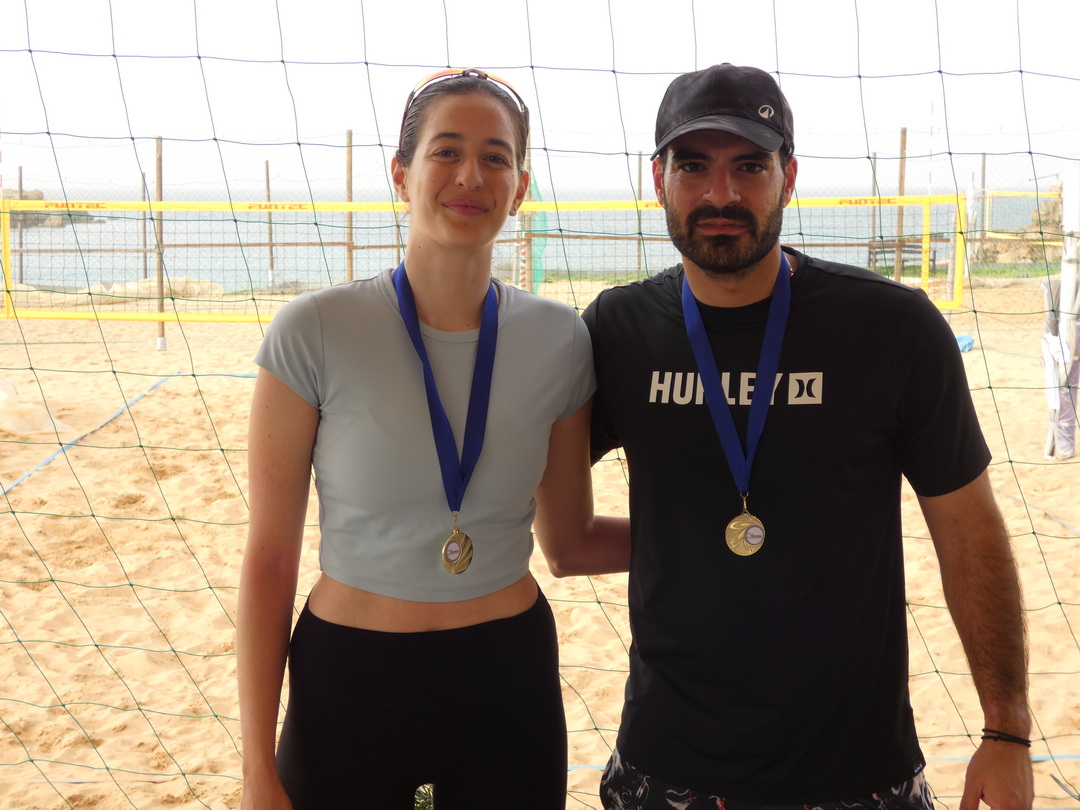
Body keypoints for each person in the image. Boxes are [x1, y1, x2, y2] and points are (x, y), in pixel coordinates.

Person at [562, 63, 1034, 810]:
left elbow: (969, 530)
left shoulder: (892, 326)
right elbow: (552, 532)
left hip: (859, 775)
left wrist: (1006, 730)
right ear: (658, 179)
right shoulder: (616, 330)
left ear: (789, 176)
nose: (721, 194)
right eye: (694, 166)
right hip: (666, 770)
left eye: (750, 166)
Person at [236, 68, 612, 810]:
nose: (471, 175)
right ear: (401, 175)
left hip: (506, 680)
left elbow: (569, 543)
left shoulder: (561, 338)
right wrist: (255, 770)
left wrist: (724, 537)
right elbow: (270, 561)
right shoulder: (315, 329)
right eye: (446, 151)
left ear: (521, 187)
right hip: (352, 678)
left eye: (496, 157)